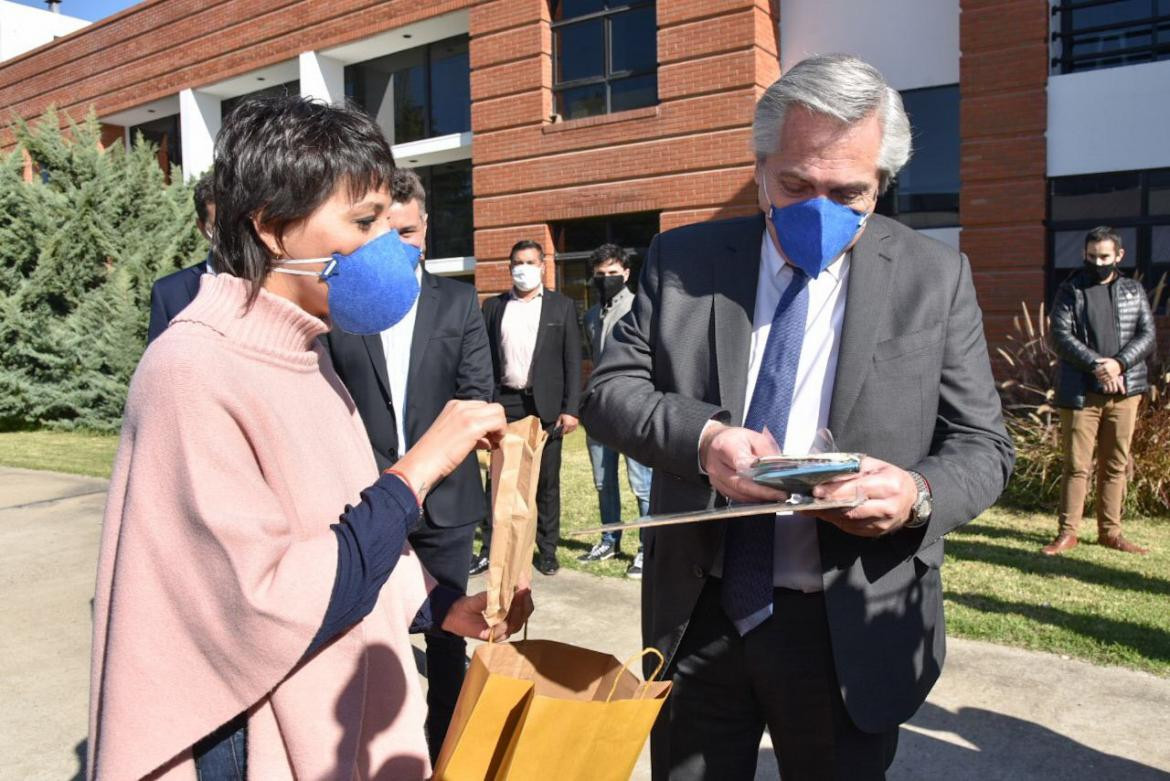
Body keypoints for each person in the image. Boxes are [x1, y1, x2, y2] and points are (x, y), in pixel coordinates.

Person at [580, 54, 1014, 779]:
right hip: (702, 614)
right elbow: (610, 392)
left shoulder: (934, 277)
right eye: (797, 184)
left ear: (882, 182)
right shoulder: (683, 258)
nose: (821, 208)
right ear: (760, 168)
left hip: (848, 624)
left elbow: (982, 443)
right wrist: (705, 437)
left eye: (850, 191)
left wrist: (915, 496)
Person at [88, 96, 530, 780]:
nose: (389, 244)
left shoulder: (310, 349)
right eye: (364, 221)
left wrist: (440, 606)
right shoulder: (191, 369)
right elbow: (262, 603)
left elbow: (333, 522)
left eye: (390, 219)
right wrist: (418, 468)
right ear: (270, 227)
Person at [322, 167, 494, 758]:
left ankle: (441, 748)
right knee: (372, 630)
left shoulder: (460, 300)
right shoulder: (341, 307)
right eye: (385, 231)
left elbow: (477, 393)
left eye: (410, 232)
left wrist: (431, 466)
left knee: (449, 638)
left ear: (427, 230)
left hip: (446, 503)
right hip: (365, 500)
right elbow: (329, 398)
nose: (399, 245)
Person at [472, 240, 582, 577]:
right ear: (509, 268)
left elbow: (573, 361)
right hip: (506, 402)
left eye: (530, 261)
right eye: (518, 262)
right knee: (500, 480)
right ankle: (491, 549)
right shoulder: (493, 307)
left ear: (543, 266)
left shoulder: (561, 307)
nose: (524, 268)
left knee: (546, 483)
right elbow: (484, 358)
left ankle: (546, 550)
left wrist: (571, 408)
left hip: (547, 407)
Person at [1044, 226, 1155, 556]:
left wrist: (1118, 364)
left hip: (1124, 393)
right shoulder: (1070, 291)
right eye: (1092, 256)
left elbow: (1147, 336)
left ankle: (1111, 532)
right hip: (1081, 394)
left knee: (1115, 464)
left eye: (1104, 257)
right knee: (1077, 466)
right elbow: (1061, 337)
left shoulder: (1134, 291)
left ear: (1118, 255)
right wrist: (1098, 365)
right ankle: (1068, 533)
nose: (1098, 262)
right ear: (1084, 254)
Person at [578, 243, 652, 578]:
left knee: (642, 483)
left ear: (626, 273)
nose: (606, 279)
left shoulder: (641, 308)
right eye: (600, 275)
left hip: (632, 410)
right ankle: (609, 538)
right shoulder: (592, 315)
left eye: (612, 274)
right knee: (603, 481)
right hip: (599, 412)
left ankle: (646, 547)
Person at [147, 171, 216, 344]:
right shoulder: (169, 293)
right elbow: (158, 367)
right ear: (201, 228)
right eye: (218, 228)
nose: (232, 236)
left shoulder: (275, 282)